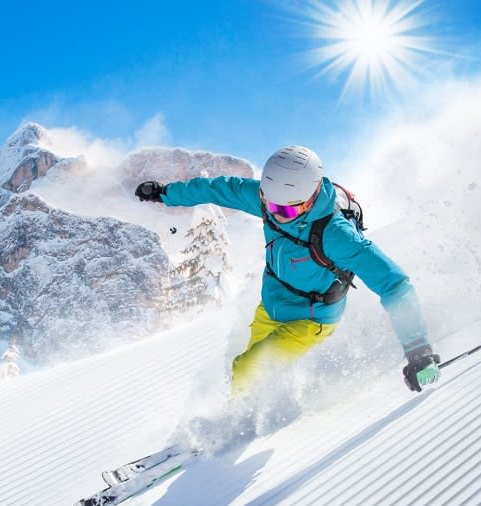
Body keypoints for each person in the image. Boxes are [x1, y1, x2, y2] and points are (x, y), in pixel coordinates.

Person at [135, 145, 440, 395]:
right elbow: (218, 189)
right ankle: (249, 405)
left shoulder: (336, 235)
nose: (277, 215)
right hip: (270, 306)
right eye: (270, 205)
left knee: (247, 368)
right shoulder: (270, 201)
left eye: (288, 209)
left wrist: (418, 350)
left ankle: (235, 426)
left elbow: (394, 284)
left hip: (311, 319)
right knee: (245, 367)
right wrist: (165, 193)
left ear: (310, 198)